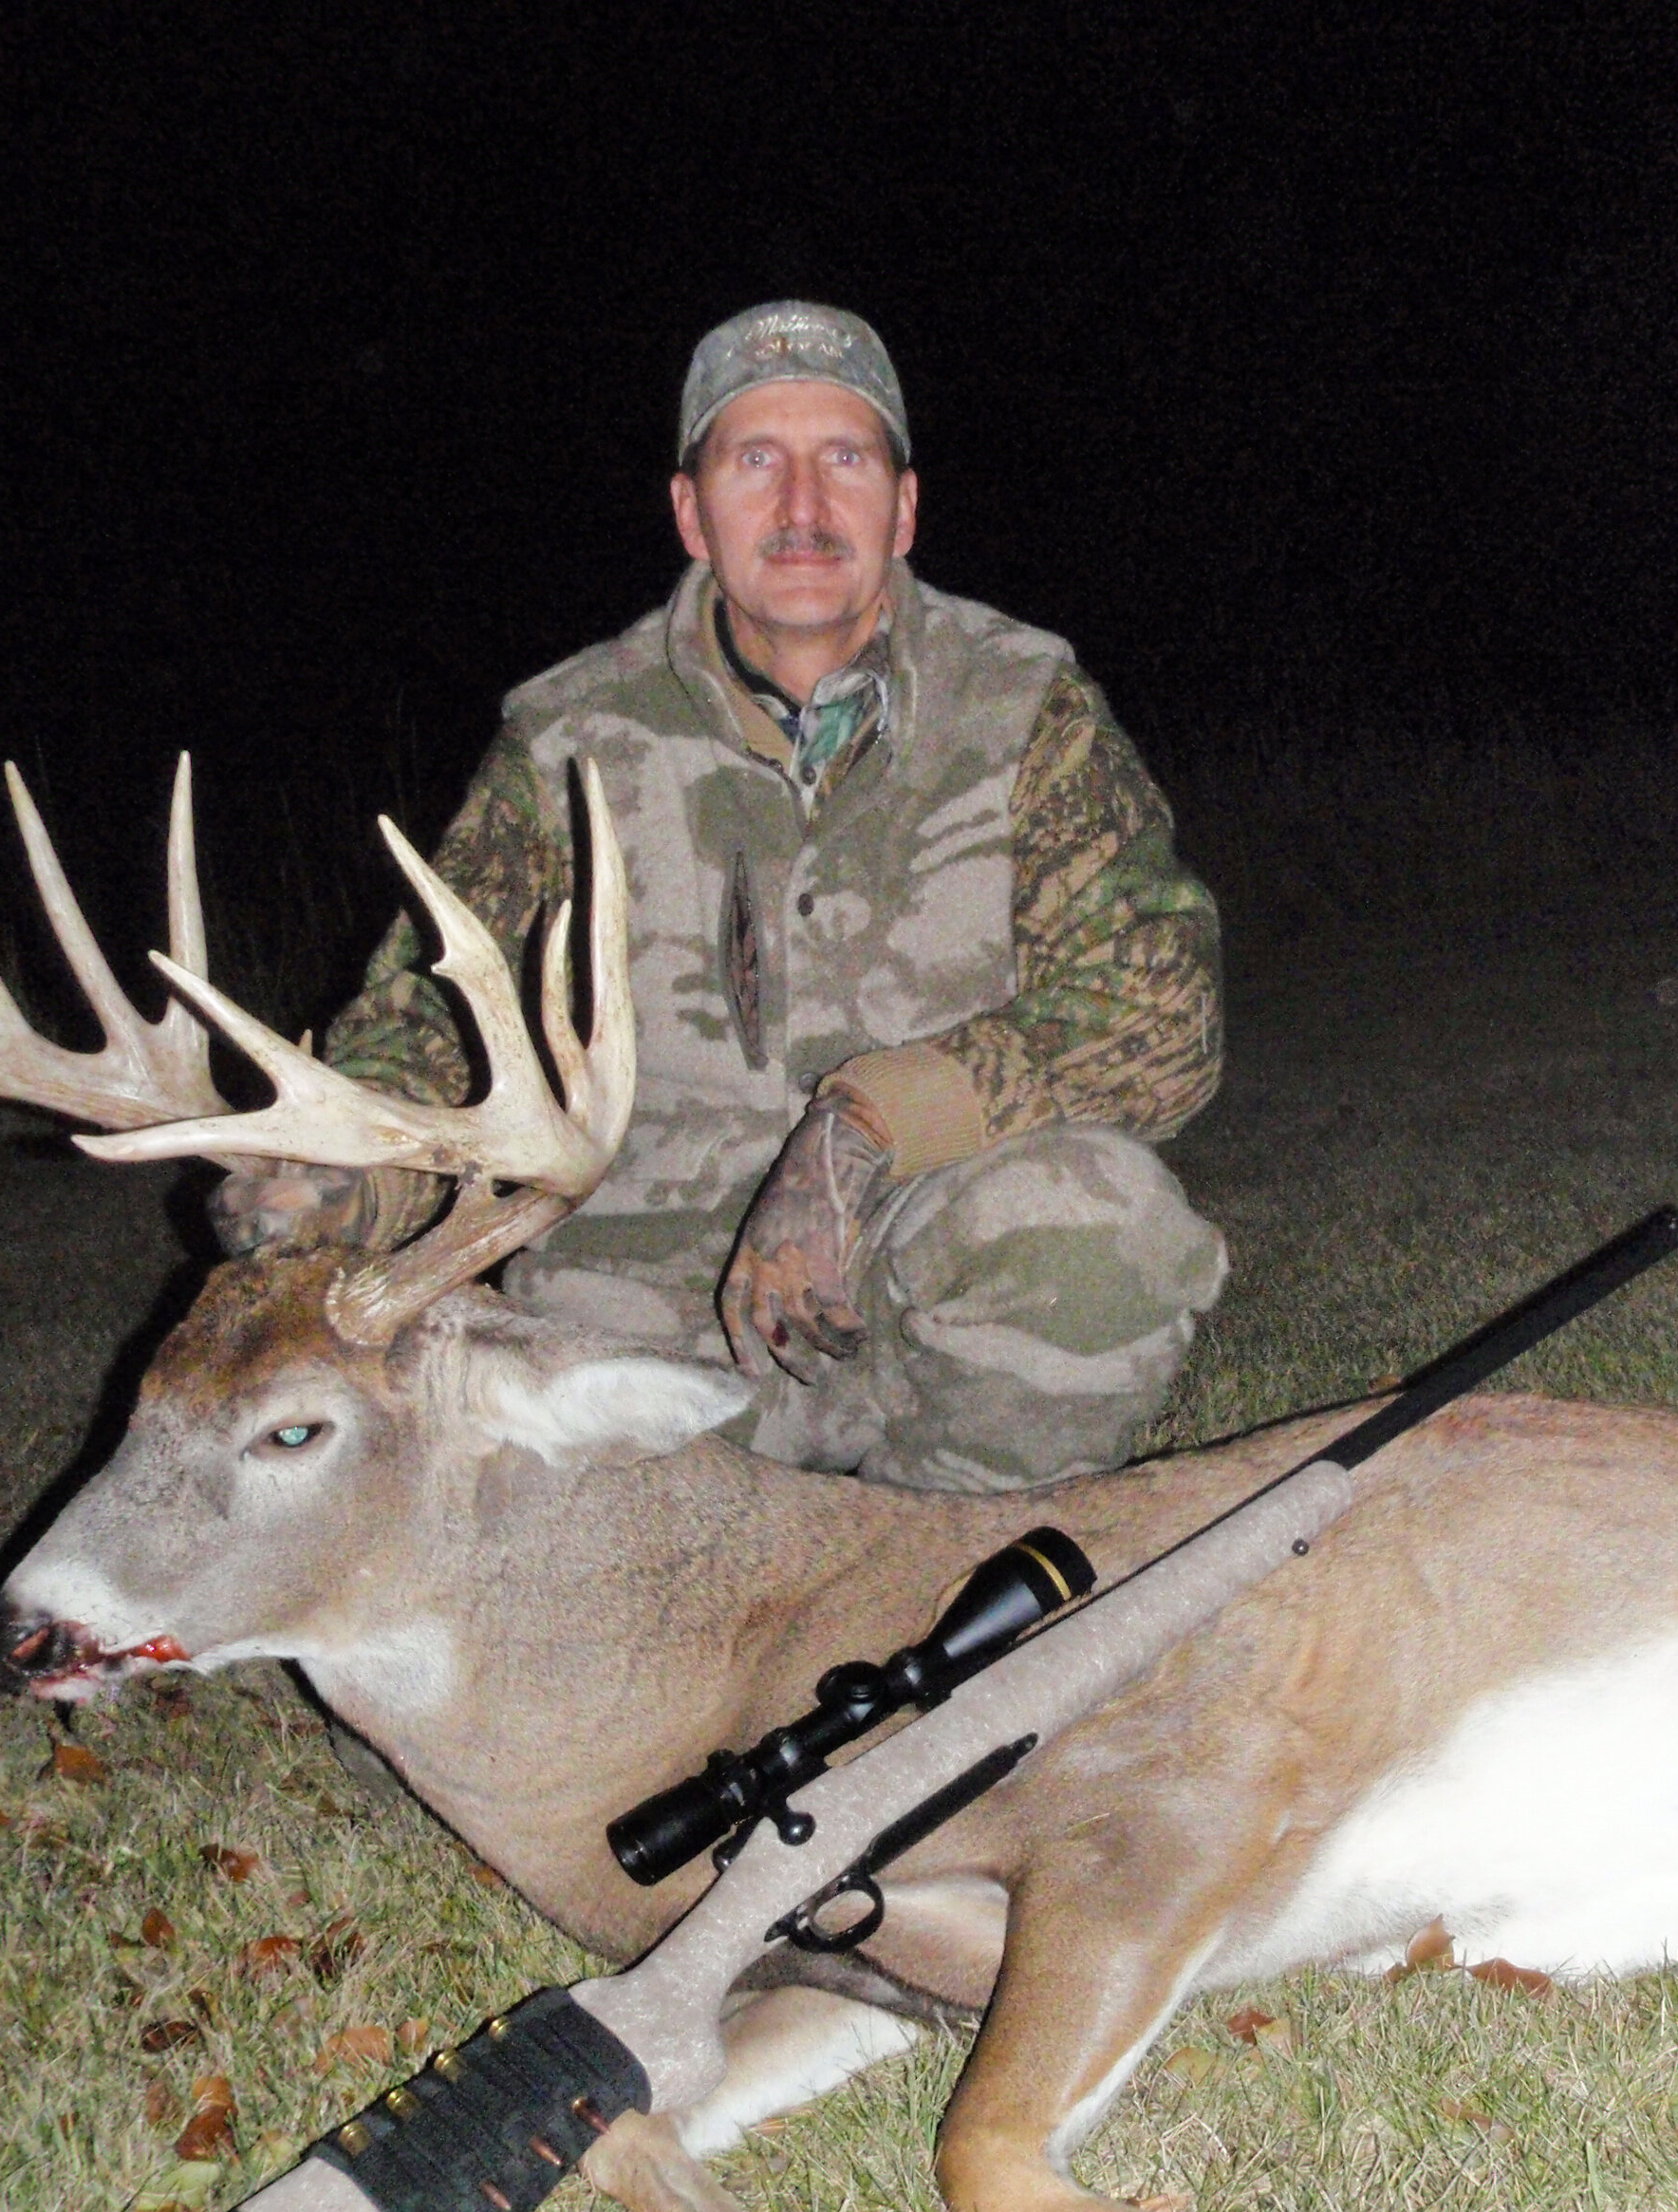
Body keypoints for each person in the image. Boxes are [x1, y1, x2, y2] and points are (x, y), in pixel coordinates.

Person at [216, 301, 1225, 1492]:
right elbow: (430, 1023)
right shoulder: (568, 735)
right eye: (756, 461)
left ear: (903, 507)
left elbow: (1165, 1017)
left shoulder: (1021, 704)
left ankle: (948, 1535)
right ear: (692, 510)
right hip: (641, 1312)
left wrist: (858, 1131)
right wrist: (349, 1177)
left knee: (1104, 1236)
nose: (803, 507)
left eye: (844, 458)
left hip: (922, 1278)